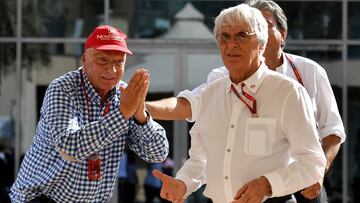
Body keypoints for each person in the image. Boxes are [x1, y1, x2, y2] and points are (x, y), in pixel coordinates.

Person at [146, 0, 346, 202]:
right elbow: (201, 158)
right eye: (224, 37)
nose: (231, 44)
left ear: (261, 43)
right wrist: (183, 183)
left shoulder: (289, 93)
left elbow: (313, 163)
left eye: (242, 35)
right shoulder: (210, 94)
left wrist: (268, 184)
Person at [10, 25, 169, 203]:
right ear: (84, 59)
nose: (112, 70)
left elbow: (158, 154)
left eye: (119, 62)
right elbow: (69, 146)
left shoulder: (124, 95)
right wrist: (123, 112)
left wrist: (140, 115)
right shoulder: (62, 88)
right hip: (40, 198)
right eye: (103, 60)